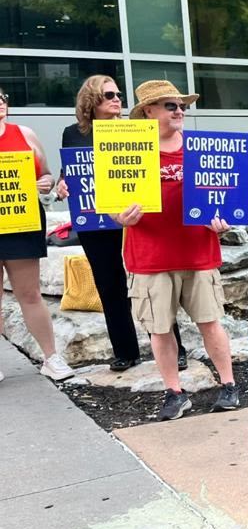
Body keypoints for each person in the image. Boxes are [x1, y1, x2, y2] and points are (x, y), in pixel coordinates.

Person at [114, 80, 239, 420]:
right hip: (150, 257)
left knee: (210, 321)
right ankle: (174, 392)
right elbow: (111, 204)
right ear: (148, 111)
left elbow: (223, 199)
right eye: (171, 105)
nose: (180, 111)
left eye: (182, 105)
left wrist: (222, 218)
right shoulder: (126, 150)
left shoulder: (203, 148)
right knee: (159, 328)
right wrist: (120, 217)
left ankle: (228, 386)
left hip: (197, 252)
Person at [56, 75, 188, 371]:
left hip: (135, 218)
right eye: (108, 95)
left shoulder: (137, 129)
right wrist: (63, 184)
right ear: (91, 100)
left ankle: (176, 350)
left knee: (153, 285)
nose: (116, 98)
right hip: (94, 219)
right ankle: (126, 352)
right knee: (109, 285)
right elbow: (70, 171)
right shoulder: (73, 133)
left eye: (118, 94)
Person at [0, 87, 73, 380]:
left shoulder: (25, 134)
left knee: (30, 293)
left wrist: (45, 182)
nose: (0, 104)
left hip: (22, 220)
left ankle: (51, 357)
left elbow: (46, 174)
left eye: (3, 98)